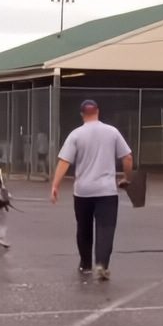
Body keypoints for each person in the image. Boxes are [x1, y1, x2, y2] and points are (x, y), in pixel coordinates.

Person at [50, 100, 133, 281]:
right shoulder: (112, 132)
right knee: (106, 229)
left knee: (84, 227)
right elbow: (127, 157)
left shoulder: (76, 135)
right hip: (107, 191)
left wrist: (55, 185)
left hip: (83, 191)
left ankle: (85, 264)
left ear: (82, 114)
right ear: (98, 112)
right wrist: (127, 178)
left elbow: (64, 161)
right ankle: (102, 263)